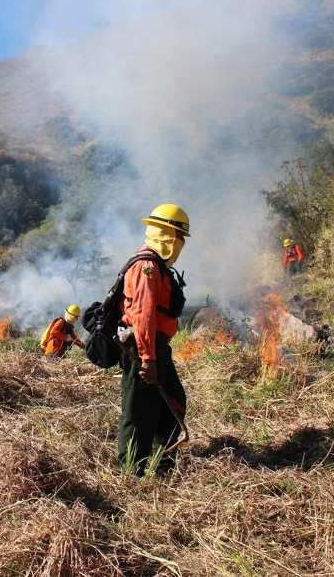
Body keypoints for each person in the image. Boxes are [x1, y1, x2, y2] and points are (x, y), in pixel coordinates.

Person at [117, 203, 189, 477]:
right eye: (179, 236)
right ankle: (130, 474)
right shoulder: (147, 266)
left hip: (157, 346)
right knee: (139, 412)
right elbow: (143, 314)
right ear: (166, 234)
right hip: (142, 346)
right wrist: (148, 359)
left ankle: (164, 466)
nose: (181, 243)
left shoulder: (157, 264)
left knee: (174, 403)